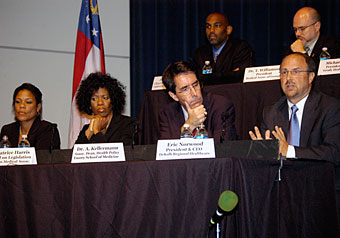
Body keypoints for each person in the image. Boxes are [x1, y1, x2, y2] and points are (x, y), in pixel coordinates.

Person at [248, 53, 340, 215]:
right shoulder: (271, 112)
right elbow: (267, 158)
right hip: (283, 192)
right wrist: (261, 153)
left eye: (296, 71)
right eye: (284, 72)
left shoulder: (330, 108)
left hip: (321, 191)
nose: (288, 78)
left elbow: (334, 152)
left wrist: (289, 151)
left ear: (311, 76)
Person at [159, 61, 237, 142]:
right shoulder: (167, 114)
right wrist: (189, 126)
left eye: (195, 85)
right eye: (185, 89)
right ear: (174, 96)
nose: (194, 93)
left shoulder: (221, 107)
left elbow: (223, 148)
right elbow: (166, 150)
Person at [75, 72, 137, 145]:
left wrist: (97, 131)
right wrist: (90, 132)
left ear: (113, 100)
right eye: (94, 99)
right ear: (89, 104)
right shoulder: (86, 129)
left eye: (105, 98)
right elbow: (75, 155)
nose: (100, 102)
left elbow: (118, 154)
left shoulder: (127, 124)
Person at [193, 12, 254, 85]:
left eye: (217, 26)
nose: (211, 30)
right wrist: (228, 75)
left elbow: (239, 77)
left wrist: (209, 77)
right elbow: (198, 79)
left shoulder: (240, 48)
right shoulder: (200, 53)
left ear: (228, 30)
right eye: (208, 26)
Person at [0, 83, 61, 150]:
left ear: (38, 107)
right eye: (18, 102)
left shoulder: (48, 130)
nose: (22, 105)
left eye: (28, 102)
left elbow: (42, 159)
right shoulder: (7, 130)